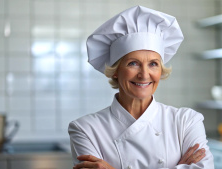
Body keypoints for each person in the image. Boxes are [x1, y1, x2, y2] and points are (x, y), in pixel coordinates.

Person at [68, 5, 214, 169]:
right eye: (133, 63)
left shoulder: (186, 121)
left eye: (153, 64)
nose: (144, 75)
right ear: (115, 70)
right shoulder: (86, 129)